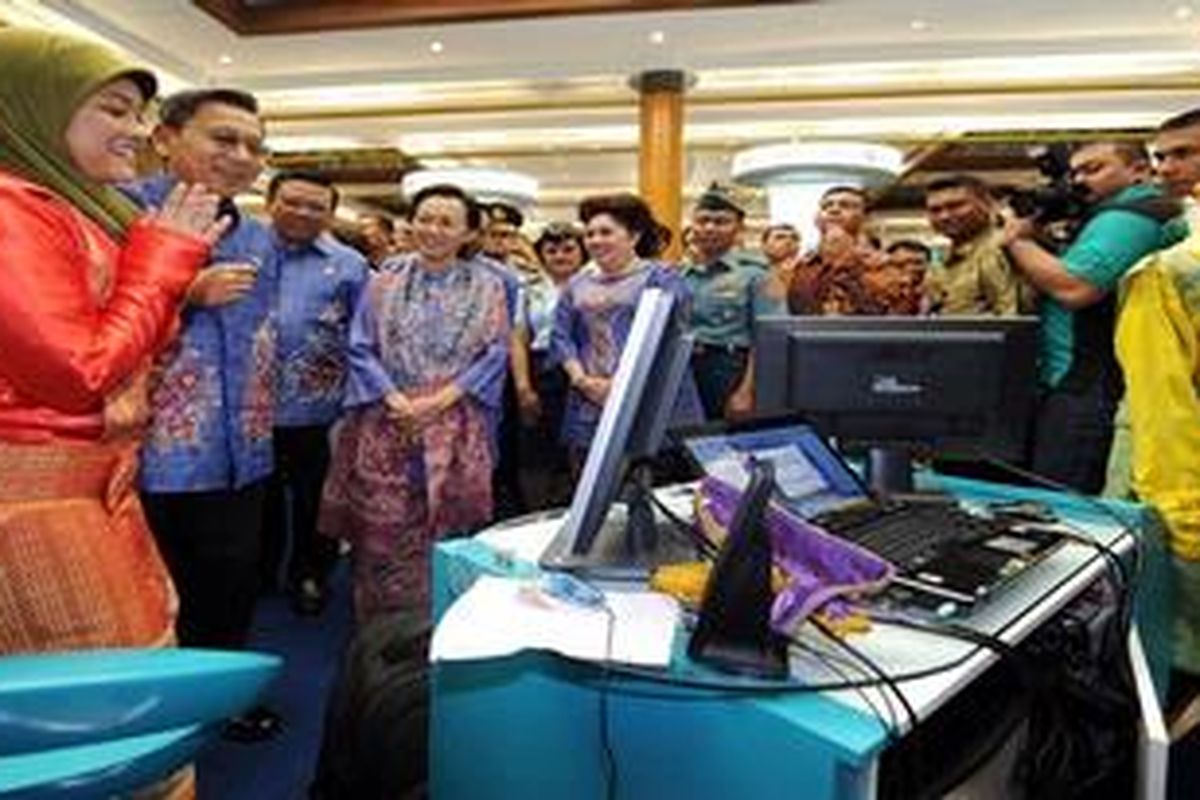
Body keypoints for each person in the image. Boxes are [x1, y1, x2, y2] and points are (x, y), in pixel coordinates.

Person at [0, 28, 223, 799]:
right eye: (115, 109)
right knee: (105, 725)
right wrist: (162, 262)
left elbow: (131, 354)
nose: (136, 131)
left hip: (90, 493)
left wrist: (157, 261)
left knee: (120, 710)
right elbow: (79, 371)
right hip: (35, 507)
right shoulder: (9, 205)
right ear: (36, 106)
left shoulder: (71, 209)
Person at [125, 87, 282, 741]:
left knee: (231, 579)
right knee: (149, 592)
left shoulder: (260, 235)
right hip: (144, 453)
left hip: (242, 447)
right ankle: (151, 715)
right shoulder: (115, 213)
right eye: (223, 138)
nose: (242, 156)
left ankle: (224, 698)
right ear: (165, 138)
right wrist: (181, 294)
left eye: (254, 145)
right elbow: (81, 325)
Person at [319, 184, 510, 621]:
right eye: (425, 218)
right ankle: (379, 629)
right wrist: (396, 399)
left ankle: (437, 624)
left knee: (444, 525)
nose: (433, 230)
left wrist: (439, 400)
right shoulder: (382, 282)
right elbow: (360, 347)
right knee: (380, 529)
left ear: (468, 233)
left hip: (455, 420)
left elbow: (495, 353)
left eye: (447, 222)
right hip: (387, 418)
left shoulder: (490, 287)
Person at [1002, 141, 1180, 493]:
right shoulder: (1106, 217)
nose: (1081, 181)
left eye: (1094, 169)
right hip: (1076, 379)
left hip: (1089, 384)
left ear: (1138, 171)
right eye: (1076, 173)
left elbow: (1075, 287)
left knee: (1062, 504)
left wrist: (1017, 241)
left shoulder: (1133, 214)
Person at [261, 170, 367, 616]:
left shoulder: (349, 264)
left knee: (316, 500)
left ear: (331, 212)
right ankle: (259, 574)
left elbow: (363, 337)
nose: (303, 212)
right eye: (292, 201)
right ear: (269, 202)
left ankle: (310, 575)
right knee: (256, 500)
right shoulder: (239, 250)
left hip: (319, 410)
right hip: (249, 408)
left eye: (316, 206)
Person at [552, 193, 691, 463]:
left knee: (648, 479)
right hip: (588, 393)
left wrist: (621, 386)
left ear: (634, 236)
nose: (595, 240)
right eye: (590, 233)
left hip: (648, 392)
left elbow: (670, 339)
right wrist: (581, 379)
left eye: (606, 232)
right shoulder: (577, 283)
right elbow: (561, 335)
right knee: (590, 476)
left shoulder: (663, 278)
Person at [683, 186, 784, 420]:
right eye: (703, 220)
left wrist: (747, 391)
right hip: (684, 369)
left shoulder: (757, 275)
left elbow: (769, 339)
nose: (710, 228)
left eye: (721, 222)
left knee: (724, 448)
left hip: (728, 369)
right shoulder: (682, 275)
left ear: (739, 228)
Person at [517, 223, 586, 509]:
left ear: (582, 252)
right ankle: (536, 511)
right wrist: (523, 387)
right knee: (535, 446)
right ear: (541, 255)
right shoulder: (529, 289)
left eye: (569, 249)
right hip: (540, 369)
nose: (560, 256)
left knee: (580, 445)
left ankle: (581, 511)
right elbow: (518, 337)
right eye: (552, 250)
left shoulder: (596, 285)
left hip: (584, 370)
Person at [923, 175, 1026, 315]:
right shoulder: (942, 261)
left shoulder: (1002, 247)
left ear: (987, 204)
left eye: (956, 206)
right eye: (935, 210)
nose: (944, 216)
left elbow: (1011, 319)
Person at [787, 185, 887, 315]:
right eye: (826, 206)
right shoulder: (802, 267)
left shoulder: (883, 265)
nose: (834, 210)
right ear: (817, 218)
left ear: (865, 217)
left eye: (845, 206)